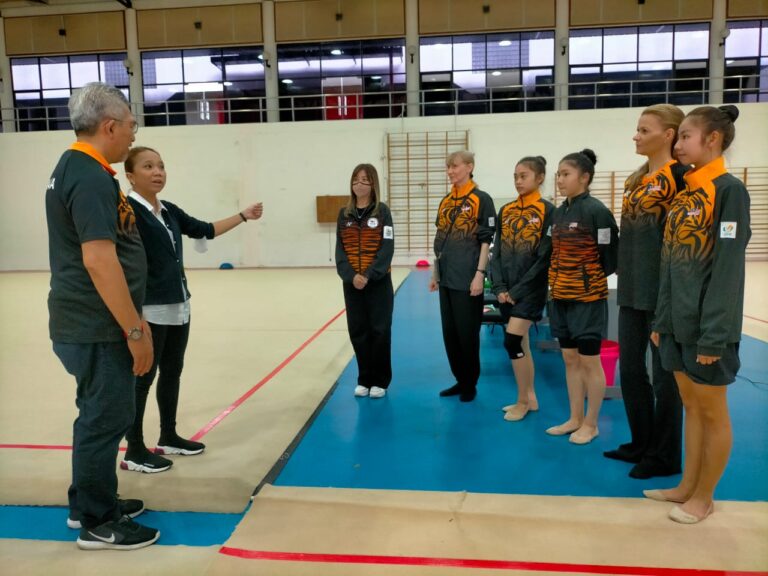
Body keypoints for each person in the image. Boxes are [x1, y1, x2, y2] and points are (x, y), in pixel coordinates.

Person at [45, 82, 159, 550]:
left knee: (96, 413)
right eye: (131, 125)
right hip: (96, 324)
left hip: (91, 322)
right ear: (109, 126)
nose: (133, 134)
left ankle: (88, 501)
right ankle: (98, 520)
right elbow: (98, 259)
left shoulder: (81, 169)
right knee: (107, 417)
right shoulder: (89, 176)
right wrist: (133, 328)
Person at [122, 146, 263, 473]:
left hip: (179, 304)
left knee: (172, 371)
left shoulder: (168, 210)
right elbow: (123, 264)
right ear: (130, 175)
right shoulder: (128, 212)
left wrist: (243, 216)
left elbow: (205, 229)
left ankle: (168, 435)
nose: (158, 172)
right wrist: (133, 314)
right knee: (143, 378)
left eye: (161, 166)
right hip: (150, 309)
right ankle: (134, 449)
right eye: (148, 166)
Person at [647, 105, 750, 524]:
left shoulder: (728, 192)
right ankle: (687, 485)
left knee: (711, 411)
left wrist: (714, 335)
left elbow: (727, 270)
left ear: (713, 139)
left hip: (708, 329)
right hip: (676, 323)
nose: (678, 143)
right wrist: (662, 319)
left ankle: (704, 497)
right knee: (690, 405)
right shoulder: (685, 193)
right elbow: (670, 264)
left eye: (686, 136)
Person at [604, 105, 687, 479]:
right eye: (637, 129)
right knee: (632, 370)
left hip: (661, 292)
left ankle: (665, 455)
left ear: (668, 135)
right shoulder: (636, 181)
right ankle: (641, 442)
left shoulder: (681, 178)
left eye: (644, 130)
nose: (635, 136)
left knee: (665, 377)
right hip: (631, 289)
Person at [546, 149, 619, 444]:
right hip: (560, 297)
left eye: (566, 174)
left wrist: (585, 279)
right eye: (559, 174)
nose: (560, 180)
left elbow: (610, 257)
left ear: (584, 177)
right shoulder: (558, 212)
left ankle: (591, 423)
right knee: (569, 358)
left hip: (587, 300)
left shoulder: (597, 212)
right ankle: (575, 418)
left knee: (590, 361)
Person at [490, 156, 554, 421]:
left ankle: (522, 401)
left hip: (530, 291)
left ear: (540, 178)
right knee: (522, 342)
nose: (518, 181)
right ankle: (530, 397)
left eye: (524, 176)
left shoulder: (548, 211)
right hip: (505, 291)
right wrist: (499, 287)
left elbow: (544, 259)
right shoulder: (506, 210)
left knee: (512, 341)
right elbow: (496, 252)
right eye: (515, 176)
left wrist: (516, 291)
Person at [429, 151, 496, 403]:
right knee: (450, 333)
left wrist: (480, 274)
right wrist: (435, 273)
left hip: (468, 278)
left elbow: (486, 241)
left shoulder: (481, 199)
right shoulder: (446, 201)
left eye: (455, 166)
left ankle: (470, 383)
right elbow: (440, 239)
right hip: (446, 277)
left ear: (469, 167)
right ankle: (460, 379)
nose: (450, 171)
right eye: (448, 167)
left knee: (467, 333)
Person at [335, 164, 395, 398]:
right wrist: (351, 276)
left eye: (364, 179)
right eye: (355, 179)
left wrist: (369, 274)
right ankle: (364, 379)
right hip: (352, 285)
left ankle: (380, 380)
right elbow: (340, 251)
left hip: (378, 283)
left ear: (373, 184)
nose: (359, 184)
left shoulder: (382, 212)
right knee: (358, 331)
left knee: (380, 331)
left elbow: (387, 247)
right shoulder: (344, 214)